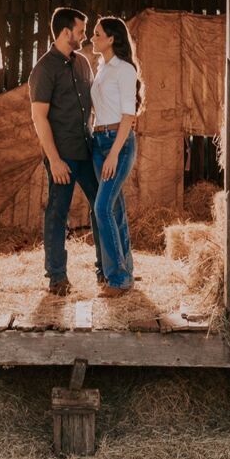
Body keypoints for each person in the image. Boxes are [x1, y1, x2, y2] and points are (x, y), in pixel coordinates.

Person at [29, 6, 100, 295]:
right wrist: (54, 160)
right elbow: (39, 117)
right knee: (59, 213)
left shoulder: (83, 63)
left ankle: (106, 270)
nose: (85, 35)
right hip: (63, 156)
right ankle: (57, 277)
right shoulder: (44, 69)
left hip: (88, 148)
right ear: (65, 32)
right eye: (81, 30)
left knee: (102, 208)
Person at [87, 15, 142, 296]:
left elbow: (128, 115)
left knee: (101, 208)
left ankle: (118, 278)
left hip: (117, 144)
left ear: (111, 39)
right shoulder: (102, 69)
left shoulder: (124, 70)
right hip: (99, 141)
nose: (92, 38)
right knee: (115, 208)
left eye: (97, 34)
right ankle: (126, 270)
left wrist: (113, 155)